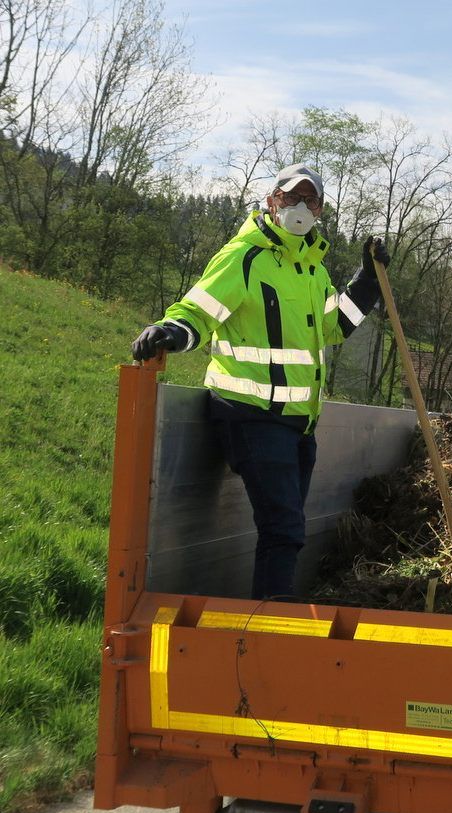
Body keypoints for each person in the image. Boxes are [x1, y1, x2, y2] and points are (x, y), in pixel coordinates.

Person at [131, 163, 387, 600]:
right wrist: (170, 332)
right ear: (272, 201)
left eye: (310, 199)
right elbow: (198, 310)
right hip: (250, 415)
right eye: (291, 196)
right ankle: (271, 629)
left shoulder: (312, 268)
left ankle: (268, 623)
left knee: (287, 528)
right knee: (284, 529)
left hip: (298, 423)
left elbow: (333, 328)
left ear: (321, 210)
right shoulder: (243, 255)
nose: (300, 206)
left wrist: (367, 282)